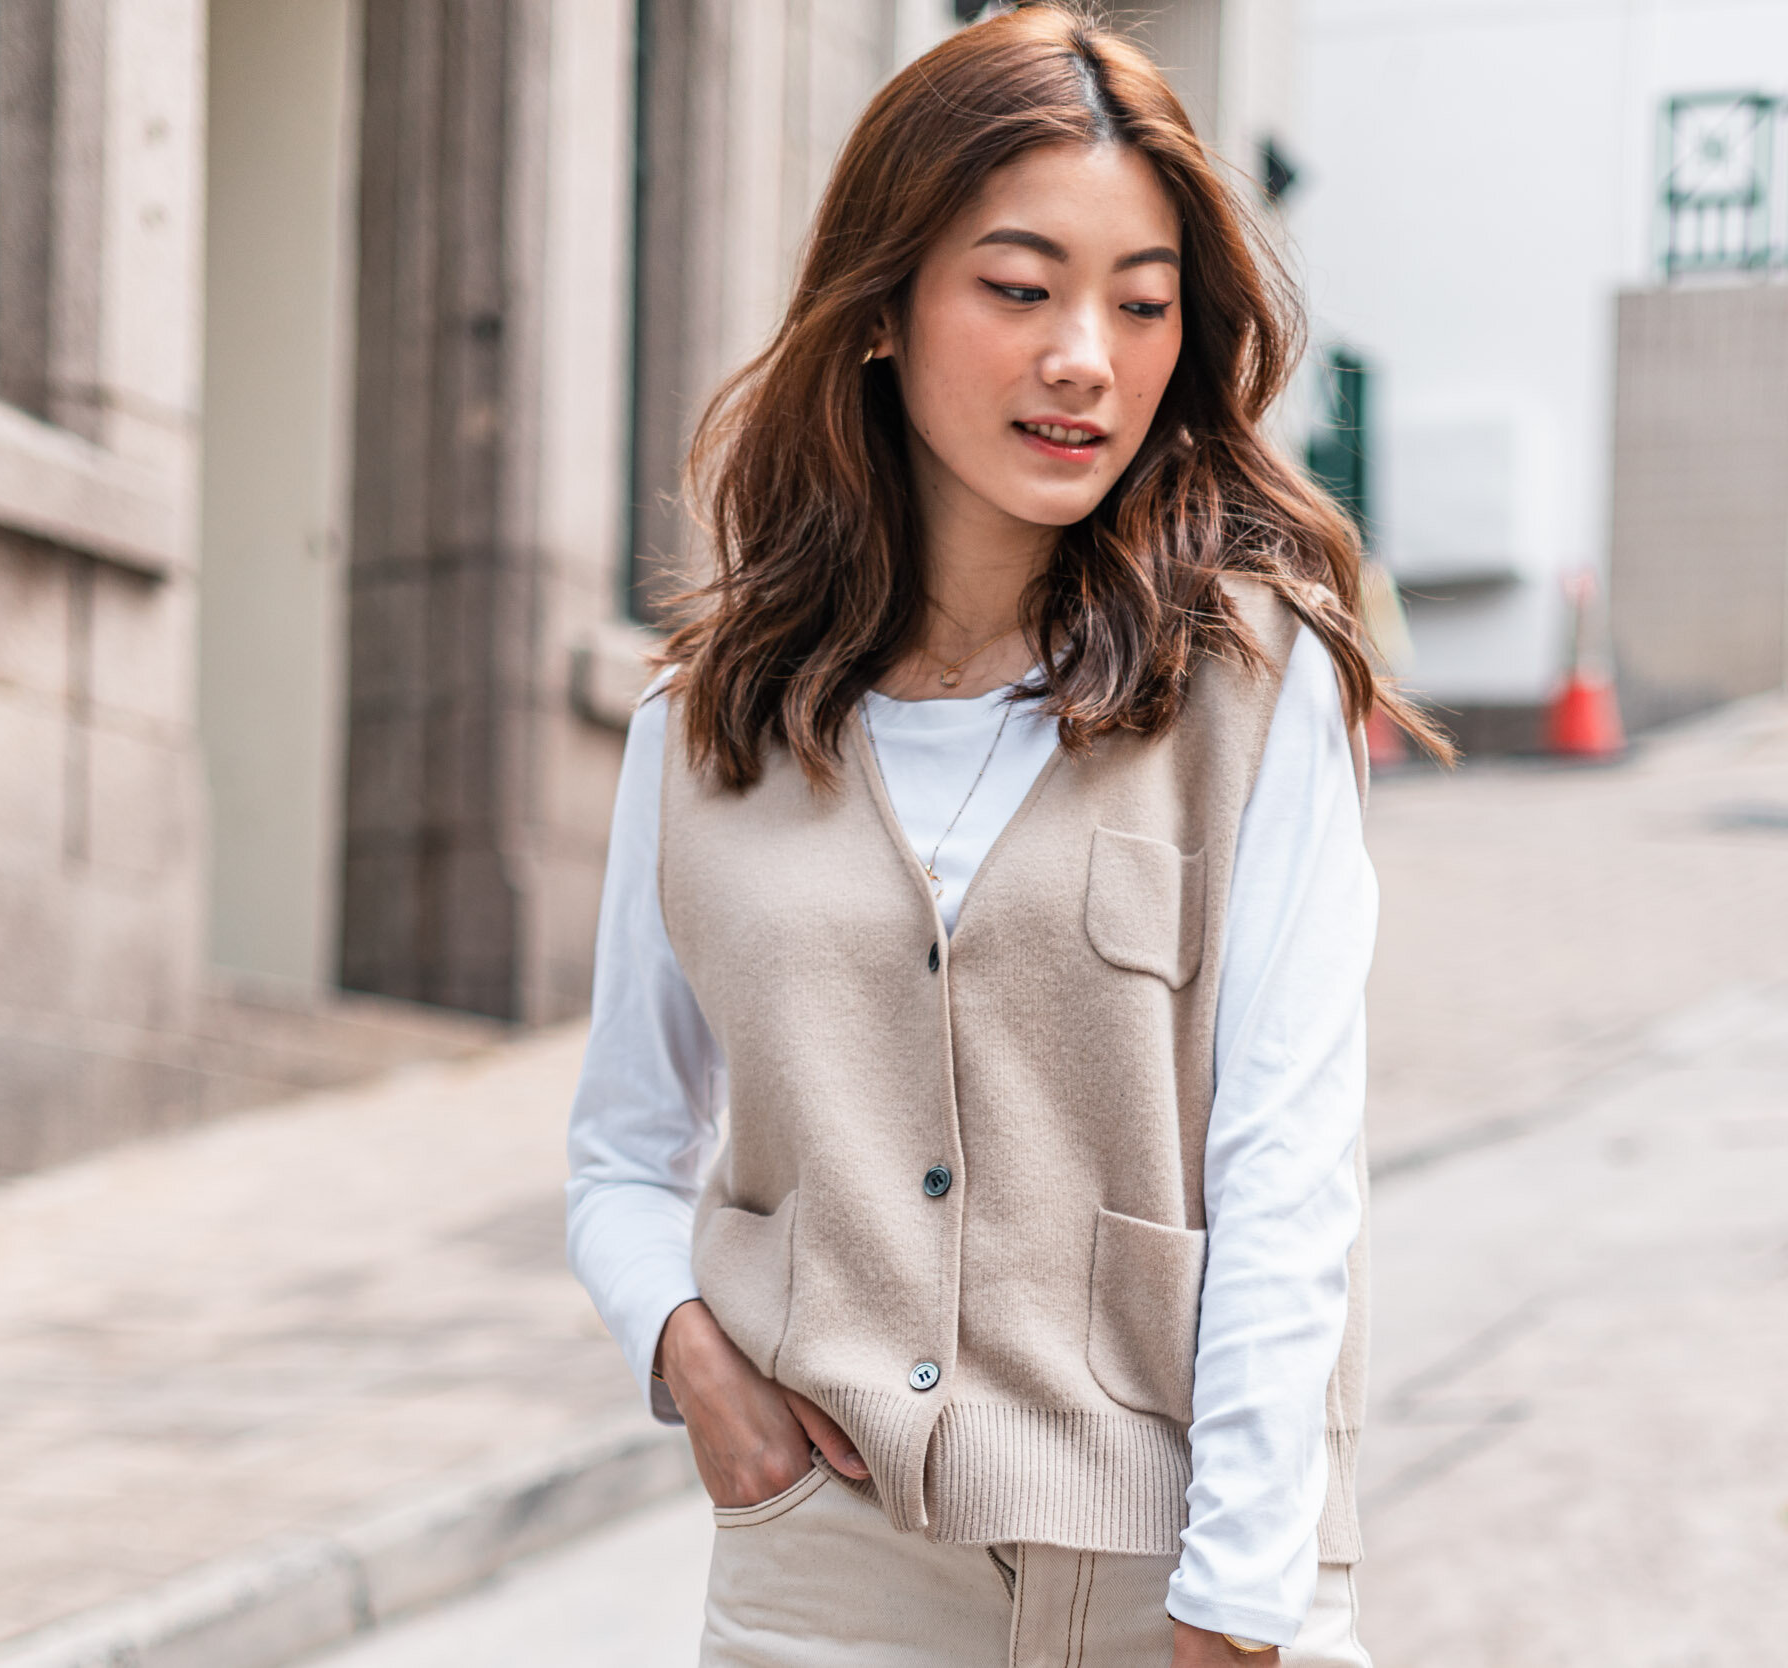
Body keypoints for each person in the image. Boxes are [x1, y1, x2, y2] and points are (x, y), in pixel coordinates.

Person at [564, 6, 1444, 1662]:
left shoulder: (1257, 685)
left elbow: (1288, 1162)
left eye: (1142, 304)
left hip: (1183, 1566)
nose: (1085, 361)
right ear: (884, 305)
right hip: (830, 1580)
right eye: (1021, 289)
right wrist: (690, 1356)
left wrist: (1243, 1600)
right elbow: (625, 1144)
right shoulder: (704, 730)